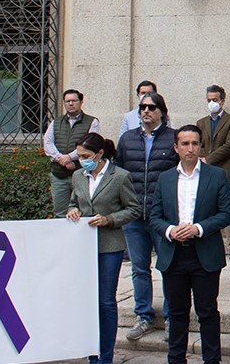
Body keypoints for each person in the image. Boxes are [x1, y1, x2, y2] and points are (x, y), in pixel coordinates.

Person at [148, 125, 230, 364]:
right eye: (185, 144)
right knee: (176, 314)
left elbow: (227, 213)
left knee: (207, 313)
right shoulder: (165, 178)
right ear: (176, 148)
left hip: (204, 254)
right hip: (173, 255)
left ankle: (212, 360)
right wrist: (169, 231)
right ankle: (176, 359)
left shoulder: (215, 175)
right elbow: (154, 216)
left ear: (200, 146)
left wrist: (198, 228)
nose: (190, 148)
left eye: (195, 143)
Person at [66, 133, 141, 364]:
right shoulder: (78, 176)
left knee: (105, 300)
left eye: (86, 156)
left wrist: (109, 219)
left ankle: (105, 356)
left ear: (99, 154)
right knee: (89, 300)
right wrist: (72, 210)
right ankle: (92, 354)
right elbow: (73, 202)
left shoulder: (120, 176)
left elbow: (133, 209)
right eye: (79, 156)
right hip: (84, 244)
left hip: (110, 244)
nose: (81, 160)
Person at [117, 91, 179, 341]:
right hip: (134, 215)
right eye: (142, 107)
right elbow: (118, 173)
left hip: (162, 216)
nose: (146, 111)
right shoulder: (127, 139)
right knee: (139, 268)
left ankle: (171, 318)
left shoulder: (173, 139)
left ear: (161, 111)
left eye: (151, 107)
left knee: (168, 267)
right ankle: (143, 316)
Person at [196, 85, 230, 262]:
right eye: (209, 100)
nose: (211, 103)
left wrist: (208, 159)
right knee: (208, 210)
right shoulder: (201, 123)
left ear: (222, 100)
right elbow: (198, 144)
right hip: (207, 173)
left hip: (227, 172)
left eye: (215, 100)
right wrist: (202, 159)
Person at [43, 89, 101, 217]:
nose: (70, 104)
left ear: (81, 102)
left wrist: (70, 157)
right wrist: (61, 160)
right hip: (59, 175)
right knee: (60, 213)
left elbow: (91, 144)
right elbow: (47, 143)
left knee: (83, 212)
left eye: (74, 101)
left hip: (82, 174)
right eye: (67, 101)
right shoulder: (56, 122)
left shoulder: (92, 122)